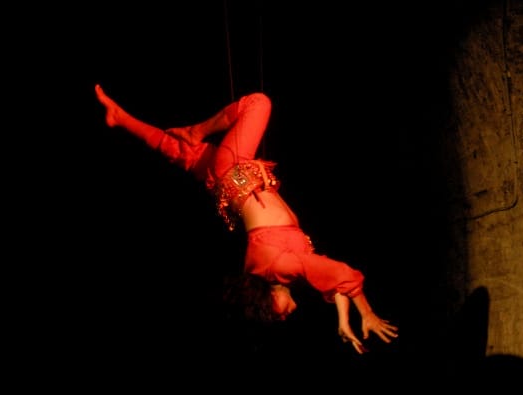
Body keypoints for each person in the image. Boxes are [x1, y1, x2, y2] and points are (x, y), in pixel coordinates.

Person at [94, 84, 398, 354]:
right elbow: (330, 280)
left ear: (265, 298)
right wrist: (344, 320)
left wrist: (367, 314)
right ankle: (120, 117)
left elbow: (341, 274)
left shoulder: (275, 268)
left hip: (233, 170)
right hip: (228, 182)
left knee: (258, 103)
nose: (282, 316)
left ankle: (195, 129)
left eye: (272, 313)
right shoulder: (280, 272)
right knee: (175, 151)